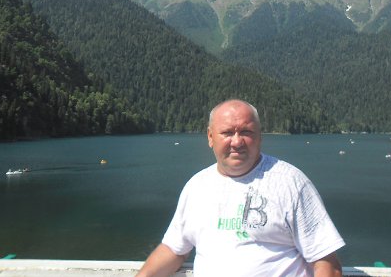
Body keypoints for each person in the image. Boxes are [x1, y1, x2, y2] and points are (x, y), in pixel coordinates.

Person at [136, 99, 345, 277]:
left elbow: (327, 263)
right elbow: (175, 250)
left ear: (259, 136)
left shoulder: (290, 183)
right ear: (210, 137)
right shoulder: (196, 187)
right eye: (227, 133)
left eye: (246, 132)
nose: (236, 142)